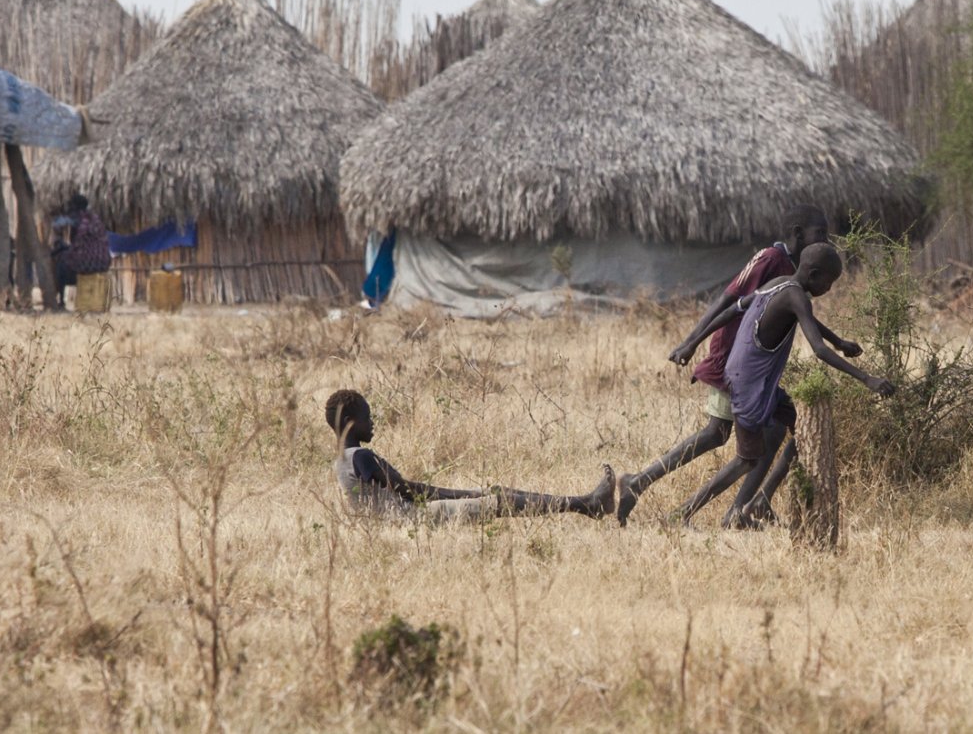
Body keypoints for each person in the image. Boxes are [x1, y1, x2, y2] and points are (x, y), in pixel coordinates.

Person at [614, 205, 862, 524]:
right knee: (719, 435)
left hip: (756, 369)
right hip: (735, 359)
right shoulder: (770, 259)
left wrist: (838, 341)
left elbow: (800, 314)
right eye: (821, 234)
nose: (826, 240)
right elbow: (728, 299)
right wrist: (691, 341)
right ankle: (647, 486)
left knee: (774, 432)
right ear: (799, 234)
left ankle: (744, 507)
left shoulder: (794, 270)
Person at [677, 244, 893, 529]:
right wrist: (867, 378)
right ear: (814, 274)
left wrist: (839, 342)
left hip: (752, 379)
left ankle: (761, 500)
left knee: (803, 428)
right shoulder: (796, 297)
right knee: (746, 460)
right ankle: (682, 513)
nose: (829, 289)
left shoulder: (778, 285)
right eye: (829, 282)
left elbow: (734, 311)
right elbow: (818, 349)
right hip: (749, 385)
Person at [325, 389, 615, 522]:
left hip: (399, 519)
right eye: (368, 416)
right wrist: (464, 494)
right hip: (411, 519)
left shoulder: (342, 459)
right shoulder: (361, 457)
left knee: (498, 493)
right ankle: (585, 504)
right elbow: (412, 493)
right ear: (350, 419)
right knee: (502, 500)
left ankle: (585, 505)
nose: (373, 422)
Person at [50, 192, 111, 303]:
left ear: (75, 207)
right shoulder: (94, 218)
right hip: (104, 262)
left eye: (71, 207)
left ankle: (60, 301)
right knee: (65, 255)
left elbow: (77, 245)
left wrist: (61, 248)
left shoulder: (81, 219)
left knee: (61, 262)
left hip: (91, 262)